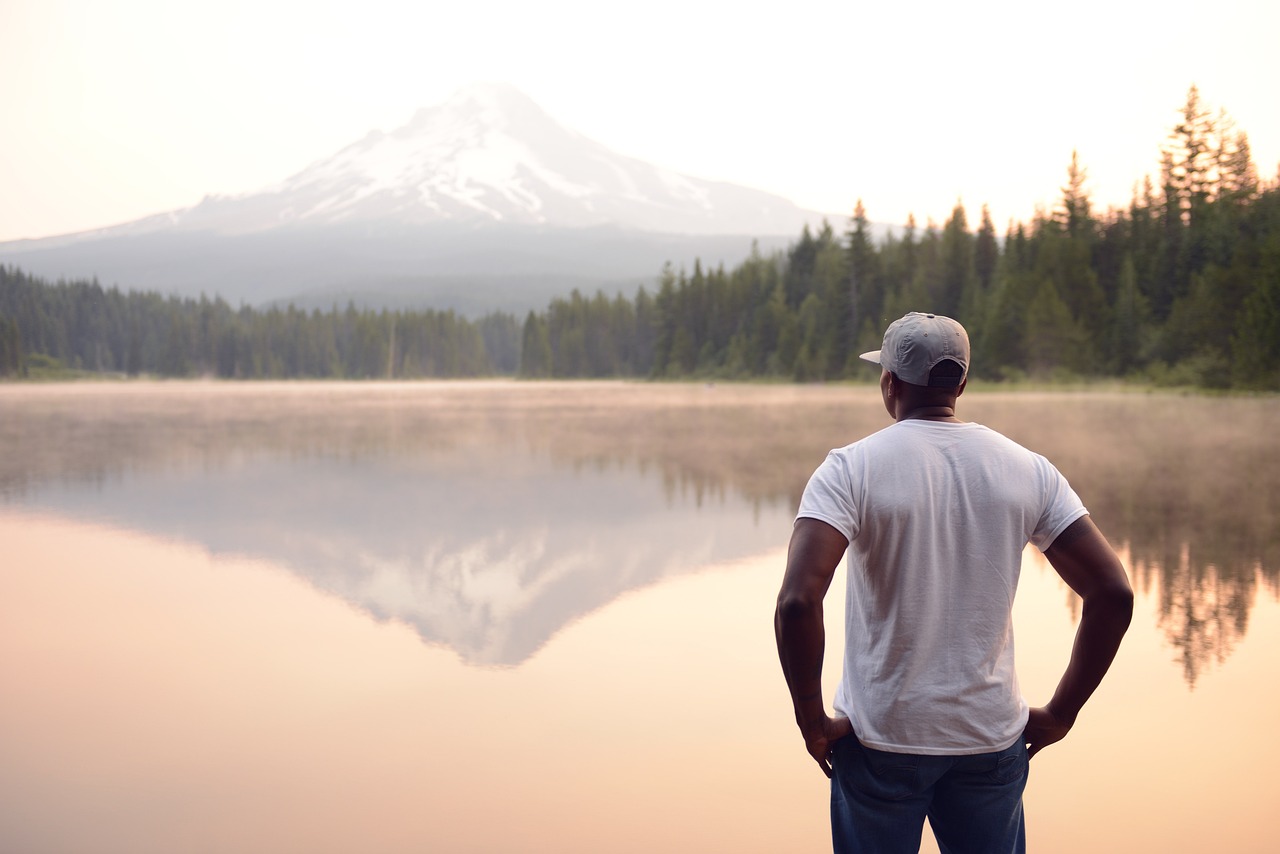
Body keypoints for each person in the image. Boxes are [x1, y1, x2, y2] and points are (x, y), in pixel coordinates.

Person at [774, 311, 1133, 854]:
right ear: (961, 383)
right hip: (989, 739)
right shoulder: (1028, 469)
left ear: (888, 382)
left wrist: (813, 722)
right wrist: (1061, 713)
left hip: (880, 740)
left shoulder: (850, 469)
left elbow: (799, 602)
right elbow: (1113, 594)